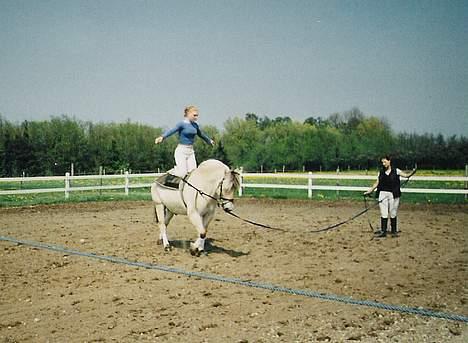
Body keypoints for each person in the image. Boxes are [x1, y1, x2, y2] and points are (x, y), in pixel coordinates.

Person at [155, 106, 214, 179]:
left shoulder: (195, 125)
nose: (196, 117)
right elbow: (172, 131)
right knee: (182, 173)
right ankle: (170, 173)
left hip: (190, 151)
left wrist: (209, 140)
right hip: (181, 151)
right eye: (194, 115)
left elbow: (201, 134)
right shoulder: (181, 124)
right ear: (188, 114)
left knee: (193, 173)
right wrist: (162, 137)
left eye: (197, 116)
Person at [364, 155, 415, 238]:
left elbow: (406, 175)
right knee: (383, 212)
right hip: (382, 194)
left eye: (385, 162)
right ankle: (383, 231)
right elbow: (376, 183)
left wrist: (412, 173)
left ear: (389, 161)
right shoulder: (380, 172)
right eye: (382, 162)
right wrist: (370, 190)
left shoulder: (396, 171)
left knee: (393, 212)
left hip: (393, 194)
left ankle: (393, 231)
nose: (383, 164)